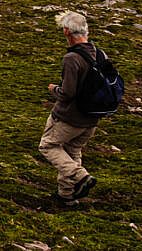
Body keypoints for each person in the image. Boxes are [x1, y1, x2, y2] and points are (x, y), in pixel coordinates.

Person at [39, 11, 104, 206]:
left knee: (47, 145)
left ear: (67, 32)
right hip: (91, 118)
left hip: (70, 117)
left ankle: (80, 176)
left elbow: (68, 93)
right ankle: (67, 195)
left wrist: (54, 89)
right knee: (73, 150)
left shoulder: (72, 58)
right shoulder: (99, 54)